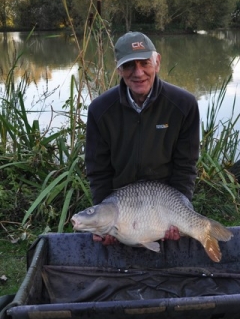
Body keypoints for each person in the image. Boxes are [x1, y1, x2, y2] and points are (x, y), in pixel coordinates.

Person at [85, 31, 200, 244]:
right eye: (129, 65)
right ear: (118, 68)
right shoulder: (100, 110)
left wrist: (181, 210)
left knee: (187, 233)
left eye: (145, 63)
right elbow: (98, 170)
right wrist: (106, 222)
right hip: (122, 207)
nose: (138, 73)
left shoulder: (184, 105)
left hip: (165, 205)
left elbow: (185, 166)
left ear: (157, 62)